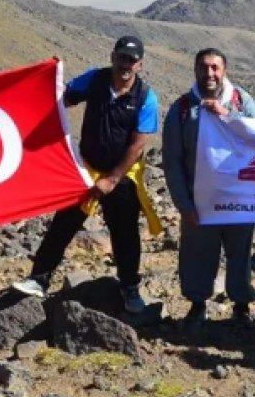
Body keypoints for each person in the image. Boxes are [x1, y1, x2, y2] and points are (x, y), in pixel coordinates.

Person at [13, 35, 161, 312]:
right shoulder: (95, 80)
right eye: (121, 58)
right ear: (112, 57)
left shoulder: (146, 97)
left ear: (140, 64)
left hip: (121, 175)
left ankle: (129, 289)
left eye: (131, 60)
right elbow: (62, 99)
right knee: (63, 224)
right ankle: (39, 279)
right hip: (88, 169)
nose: (125, 65)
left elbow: (139, 142)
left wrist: (113, 179)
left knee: (125, 233)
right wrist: (43, 82)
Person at [162, 48, 255, 330]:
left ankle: (241, 304)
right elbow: (172, 160)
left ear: (225, 70)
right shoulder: (182, 109)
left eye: (215, 68)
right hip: (200, 201)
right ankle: (197, 305)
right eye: (204, 68)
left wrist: (227, 115)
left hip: (238, 198)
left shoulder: (241, 101)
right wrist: (184, 204)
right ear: (195, 70)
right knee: (196, 252)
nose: (210, 74)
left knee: (240, 253)